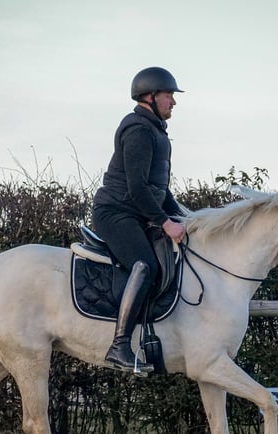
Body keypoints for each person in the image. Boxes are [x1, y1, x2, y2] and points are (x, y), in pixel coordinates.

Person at [92, 66, 187, 374]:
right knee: (144, 265)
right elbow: (137, 187)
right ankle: (119, 345)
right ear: (150, 96)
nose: (173, 102)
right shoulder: (137, 129)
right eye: (169, 95)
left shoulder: (156, 131)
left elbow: (160, 189)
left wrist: (187, 217)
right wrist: (165, 222)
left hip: (136, 213)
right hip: (116, 213)